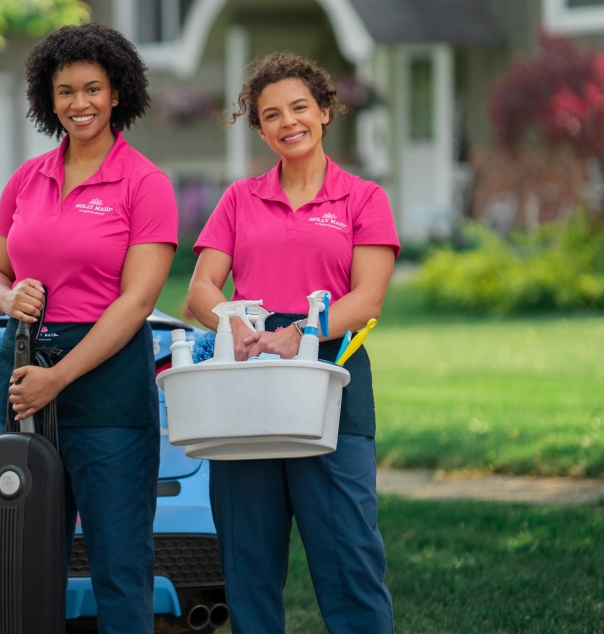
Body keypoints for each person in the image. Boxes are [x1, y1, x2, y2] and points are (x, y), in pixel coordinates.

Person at [0, 22, 178, 634]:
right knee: (23, 557)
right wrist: (9, 296)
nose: (79, 104)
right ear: (48, 97)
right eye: (66, 91)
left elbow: (136, 303)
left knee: (119, 564)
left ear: (118, 93)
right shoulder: (26, 180)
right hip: (25, 375)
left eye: (92, 89)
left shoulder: (146, 184)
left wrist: (56, 380)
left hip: (103, 385)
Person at [186, 52, 400, 633]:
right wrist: (231, 320)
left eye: (300, 108)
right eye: (271, 114)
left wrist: (299, 333)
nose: (289, 122)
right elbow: (200, 288)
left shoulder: (362, 199)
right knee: (247, 564)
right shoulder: (238, 200)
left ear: (325, 111)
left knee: (348, 556)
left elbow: (366, 300)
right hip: (246, 390)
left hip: (330, 382)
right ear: (259, 128)